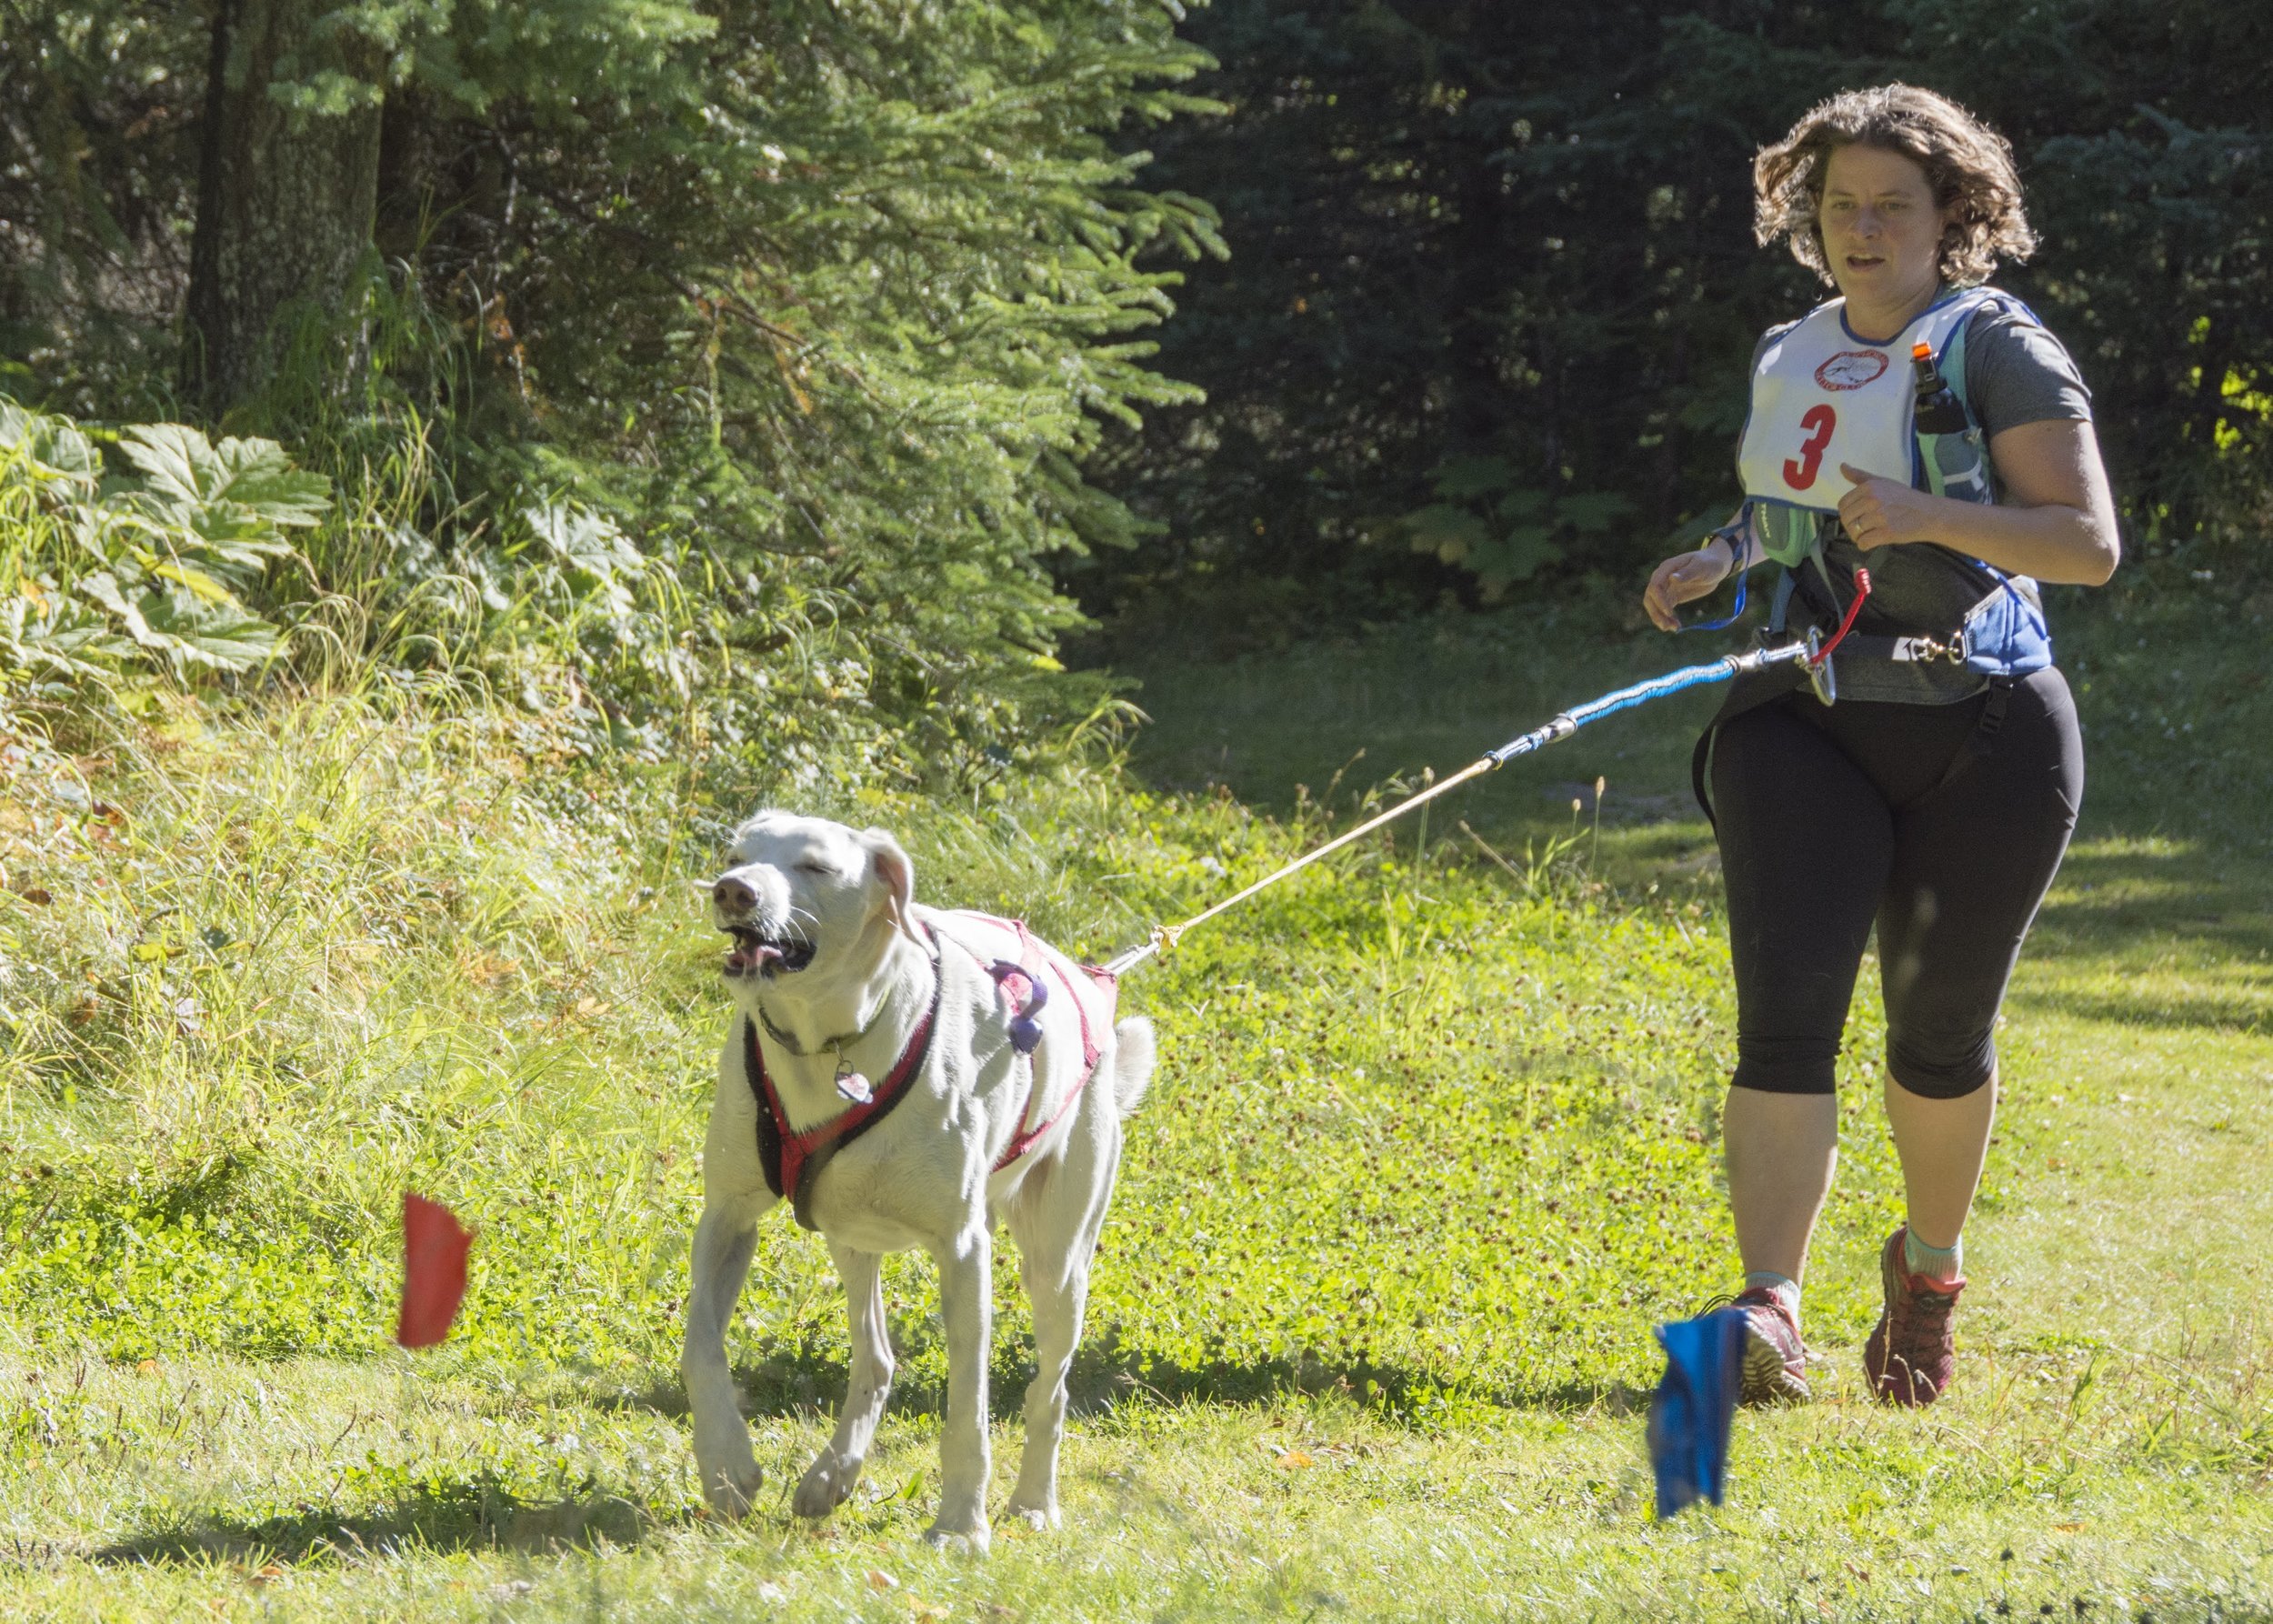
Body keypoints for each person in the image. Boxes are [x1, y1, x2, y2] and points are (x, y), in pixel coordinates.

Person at [1640, 85, 2118, 1408]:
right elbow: (1791, 516)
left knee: (1937, 1041)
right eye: (1839, 204)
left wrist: (1926, 515)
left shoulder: (1997, 345)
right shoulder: (1793, 347)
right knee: (1785, 1019)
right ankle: (1770, 1308)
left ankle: (1929, 1269)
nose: (1860, 228)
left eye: (1889, 206)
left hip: (1987, 732)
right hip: (1806, 720)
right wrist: (1718, 556)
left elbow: (2087, 545)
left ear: (1952, 215)